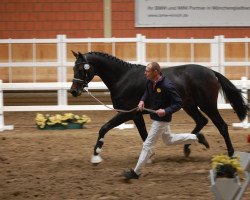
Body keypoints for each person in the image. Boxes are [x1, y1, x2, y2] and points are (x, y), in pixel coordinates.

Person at [122, 62, 210, 180]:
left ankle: (136, 172)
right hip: (156, 118)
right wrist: (142, 101)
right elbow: (147, 92)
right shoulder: (150, 81)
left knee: (147, 145)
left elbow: (178, 103)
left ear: (156, 72)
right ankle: (196, 137)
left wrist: (166, 110)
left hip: (162, 120)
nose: (145, 73)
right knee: (169, 140)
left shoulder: (167, 86)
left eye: (147, 71)